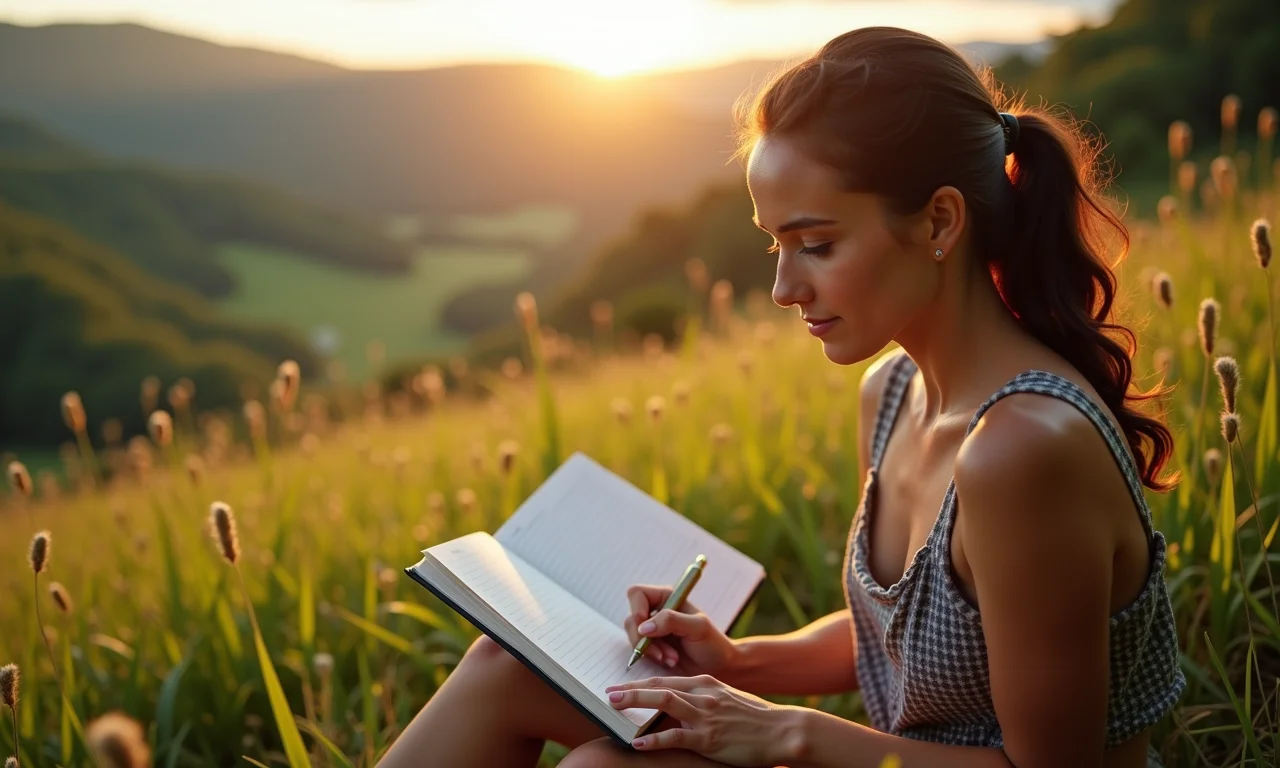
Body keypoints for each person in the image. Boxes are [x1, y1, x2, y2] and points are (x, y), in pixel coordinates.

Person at [380, 26, 1186, 768]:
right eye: (776, 245)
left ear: (941, 220)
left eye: (818, 245)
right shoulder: (895, 390)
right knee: (505, 666)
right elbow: (904, 639)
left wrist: (786, 730)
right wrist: (736, 662)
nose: (781, 288)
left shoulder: (1022, 452)